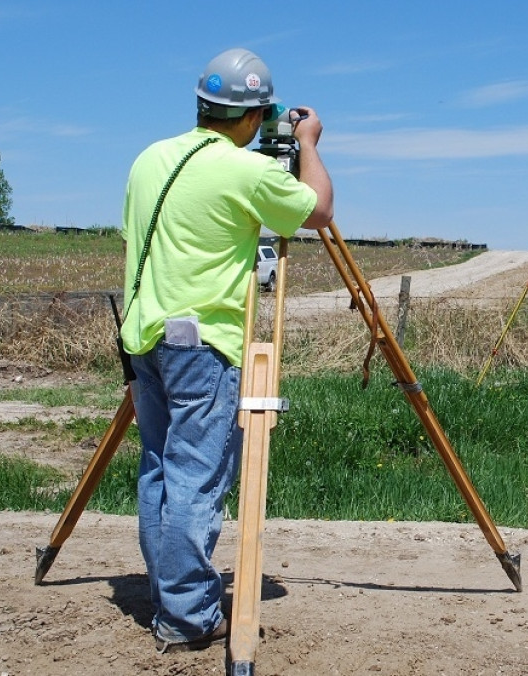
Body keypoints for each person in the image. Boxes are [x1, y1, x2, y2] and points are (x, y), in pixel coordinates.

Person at [119, 47, 333, 653]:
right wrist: (308, 144)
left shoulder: (149, 159)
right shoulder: (246, 171)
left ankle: (169, 592)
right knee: (196, 477)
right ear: (251, 116)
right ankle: (188, 616)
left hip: (145, 339)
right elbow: (318, 209)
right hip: (203, 346)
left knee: (160, 468)